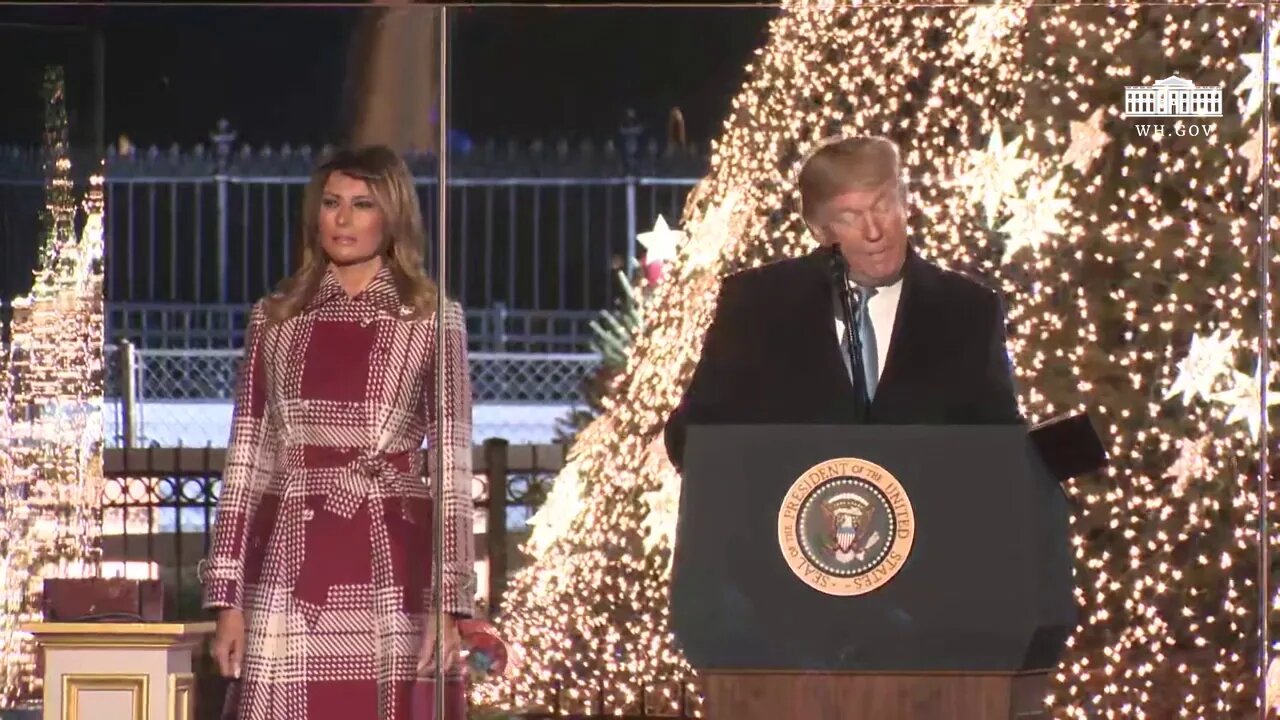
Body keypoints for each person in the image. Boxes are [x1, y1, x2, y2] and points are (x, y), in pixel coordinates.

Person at [199, 145, 475, 719]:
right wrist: (228, 598)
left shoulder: (431, 318)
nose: (343, 220)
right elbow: (246, 460)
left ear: (392, 215)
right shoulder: (275, 318)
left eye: (362, 204)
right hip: (290, 562)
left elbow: (452, 468)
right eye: (331, 203)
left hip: (392, 562)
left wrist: (450, 603)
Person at [664, 134, 1022, 471]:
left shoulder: (968, 311)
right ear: (821, 231)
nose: (873, 231)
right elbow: (693, 435)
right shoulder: (757, 304)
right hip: (781, 529)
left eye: (882, 206)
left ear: (904, 201)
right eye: (850, 217)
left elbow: (1004, 448)